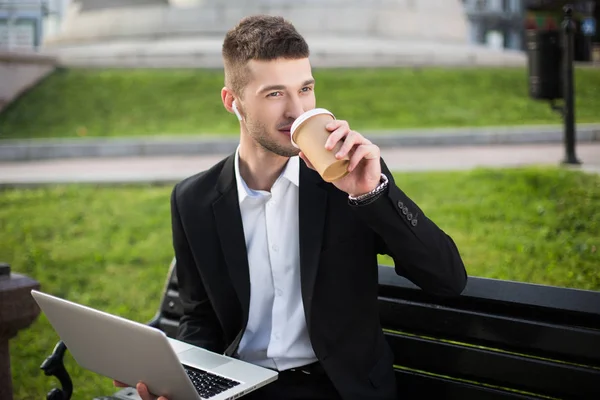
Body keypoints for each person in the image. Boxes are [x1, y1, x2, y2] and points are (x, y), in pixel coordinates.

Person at [115, 14, 467, 400]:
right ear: (233, 102)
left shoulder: (350, 181)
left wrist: (372, 195)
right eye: (275, 94)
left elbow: (447, 280)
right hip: (242, 387)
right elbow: (200, 317)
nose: (297, 111)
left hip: (337, 388)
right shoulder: (193, 200)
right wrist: (180, 383)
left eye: (306, 89)